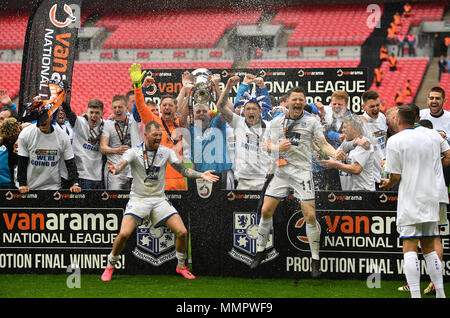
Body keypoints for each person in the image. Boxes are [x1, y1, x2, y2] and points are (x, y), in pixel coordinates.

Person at [100, 121, 219, 281]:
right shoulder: (134, 152)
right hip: (138, 199)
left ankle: (181, 266)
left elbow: (183, 170)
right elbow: (123, 163)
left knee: (182, 232)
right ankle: (110, 265)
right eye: (155, 135)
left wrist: (200, 175)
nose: (158, 138)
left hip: (159, 200)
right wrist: (117, 168)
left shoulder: (166, 151)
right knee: (123, 234)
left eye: (160, 135)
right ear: (146, 135)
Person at [249, 86, 337, 278]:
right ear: (287, 101)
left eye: (301, 99)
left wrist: (336, 154)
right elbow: (265, 146)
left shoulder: (311, 121)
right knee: (265, 210)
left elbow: (323, 144)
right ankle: (260, 250)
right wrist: (277, 147)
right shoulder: (276, 122)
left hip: (302, 173)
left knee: (310, 216)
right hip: (281, 172)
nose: (298, 102)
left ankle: (315, 260)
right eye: (294, 99)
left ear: (304, 102)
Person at [380, 105, 446, 298]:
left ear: (398, 120)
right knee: (429, 247)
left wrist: (388, 183)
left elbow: (395, 175)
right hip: (431, 196)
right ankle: (440, 294)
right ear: (417, 118)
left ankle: (415, 296)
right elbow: (446, 154)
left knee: (409, 246)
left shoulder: (395, 140)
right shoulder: (432, 135)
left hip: (411, 198)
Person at [129, 63, 187, 191]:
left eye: (170, 105)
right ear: (160, 108)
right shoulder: (153, 121)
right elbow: (140, 105)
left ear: (176, 109)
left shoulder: (181, 122)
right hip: (159, 181)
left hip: (179, 182)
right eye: (164, 105)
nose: (167, 107)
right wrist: (139, 87)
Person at [216, 76, 272, 190]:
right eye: (248, 109)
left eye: (254, 109)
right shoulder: (238, 122)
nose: (251, 111)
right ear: (243, 111)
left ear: (260, 111)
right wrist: (228, 87)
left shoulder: (269, 126)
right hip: (243, 182)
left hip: (264, 181)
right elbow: (220, 106)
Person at [17, 110, 81, 193]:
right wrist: (22, 184)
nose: (43, 120)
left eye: (45, 117)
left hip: (54, 187)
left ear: (51, 117)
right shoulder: (26, 134)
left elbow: (70, 162)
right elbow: (22, 162)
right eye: (40, 117)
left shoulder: (62, 136)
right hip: (30, 187)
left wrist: (74, 183)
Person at [321, 114, 375, 191]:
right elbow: (332, 158)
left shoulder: (365, 144)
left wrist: (336, 164)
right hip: (348, 193)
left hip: (364, 192)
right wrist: (322, 154)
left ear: (355, 129)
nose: (342, 130)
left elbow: (356, 169)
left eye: (345, 127)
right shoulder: (346, 143)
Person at [62, 98, 105, 189]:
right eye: (91, 112)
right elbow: (69, 113)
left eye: (97, 113)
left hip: (98, 177)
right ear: (87, 112)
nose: (94, 116)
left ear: (102, 113)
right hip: (82, 176)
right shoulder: (80, 122)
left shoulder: (105, 126)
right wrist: (63, 100)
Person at [100, 95, 139, 190]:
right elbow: (102, 148)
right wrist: (117, 150)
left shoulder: (133, 122)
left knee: (134, 201)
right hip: (114, 169)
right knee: (115, 200)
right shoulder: (108, 124)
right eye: (115, 107)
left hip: (131, 170)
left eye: (120, 107)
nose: (117, 110)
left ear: (126, 107)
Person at [419, 86, 450, 187]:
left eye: (437, 98)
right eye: (431, 98)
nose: (434, 101)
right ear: (427, 100)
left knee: (442, 193)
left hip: (443, 163)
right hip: (423, 162)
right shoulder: (420, 115)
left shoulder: (449, 118)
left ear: (444, 101)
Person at [359, 90, 387, 189]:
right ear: (363, 107)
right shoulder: (360, 123)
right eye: (372, 106)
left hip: (385, 172)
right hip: (370, 177)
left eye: (377, 105)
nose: (376, 109)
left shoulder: (382, 117)